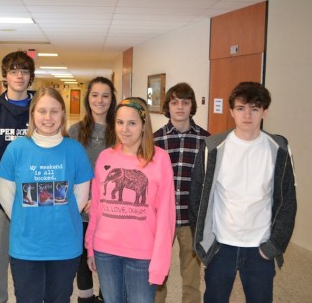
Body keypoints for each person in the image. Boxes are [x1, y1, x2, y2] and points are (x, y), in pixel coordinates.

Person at [189, 82, 297, 303]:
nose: (247, 115)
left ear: (264, 111)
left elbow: (288, 202)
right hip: (221, 247)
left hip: (260, 249)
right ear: (231, 112)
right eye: (240, 108)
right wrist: (204, 241)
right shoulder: (212, 148)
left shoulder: (279, 149)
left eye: (254, 109)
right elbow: (196, 198)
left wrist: (273, 246)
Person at [0, 87, 93, 303]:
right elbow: (6, 196)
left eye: (54, 111)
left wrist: (55, 214)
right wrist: (29, 218)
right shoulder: (16, 149)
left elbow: (79, 197)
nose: (48, 117)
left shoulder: (75, 150)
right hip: (26, 245)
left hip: (64, 243)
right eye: (41, 111)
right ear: (32, 115)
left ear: (62, 114)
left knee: (59, 298)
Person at [85, 97, 176, 303]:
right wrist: (90, 246)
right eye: (119, 122)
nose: (124, 129)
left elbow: (166, 216)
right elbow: (97, 206)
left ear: (144, 125)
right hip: (105, 250)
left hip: (143, 254)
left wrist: (160, 264)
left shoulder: (159, 159)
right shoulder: (105, 157)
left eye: (132, 123)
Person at [0, 51, 35, 303]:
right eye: (13, 71)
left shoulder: (41, 108)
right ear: (5, 76)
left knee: (30, 260)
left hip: (35, 195)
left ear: (31, 76)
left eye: (24, 71)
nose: (19, 76)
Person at [153, 82, 209, 303]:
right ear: (168, 106)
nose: (180, 107)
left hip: (190, 219)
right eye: (175, 102)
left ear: (192, 106)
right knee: (157, 274)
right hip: (161, 219)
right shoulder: (155, 139)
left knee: (192, 276)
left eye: (185, 102)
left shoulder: (206, 140)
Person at [68, 76, 117, 303]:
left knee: (107, 260)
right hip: (80, 207)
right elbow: (70, 170)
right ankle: (85, 299)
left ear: (112, 99)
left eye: (105, 95)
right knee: (82, 262)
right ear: (88, 99)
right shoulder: (75, 131)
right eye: (95, 95)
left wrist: (99, 200)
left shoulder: (120, 130)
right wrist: (83, 199)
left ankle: (108, 296)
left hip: (111, 209)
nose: (100, 100)